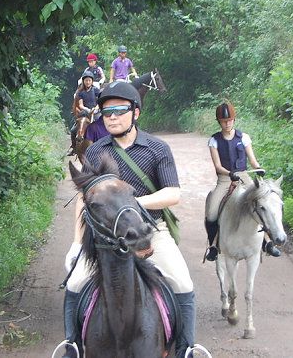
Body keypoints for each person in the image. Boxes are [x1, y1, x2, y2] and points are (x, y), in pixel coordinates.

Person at [61, 81, 197, 358]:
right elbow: (84, 198)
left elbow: (173, 193)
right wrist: (76, 243)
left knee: (183, 283)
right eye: (106, 112)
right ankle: (72, 346)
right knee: (75, 283)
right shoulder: (97, 150)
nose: (111, 117)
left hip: (150, 230)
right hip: (107, 237)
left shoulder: (157, 148)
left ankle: (186, 349)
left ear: (136, 113)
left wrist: (129, 205)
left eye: (120, 110)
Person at [203, 101, 280, 262]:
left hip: (244, 175)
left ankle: (268, 242)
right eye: (224, 121)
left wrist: (258, 168)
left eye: (230, 120)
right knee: (211, 213)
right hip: (225, 179)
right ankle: (213, 246)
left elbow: (252, 160)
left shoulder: (243, 137)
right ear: (219, 122)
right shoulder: (214, 141)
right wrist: (229, 173)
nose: (227, 123)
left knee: (262, 202)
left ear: (234, 120)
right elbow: (217, 165)